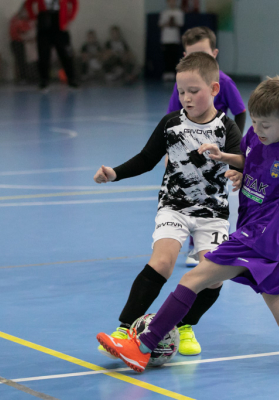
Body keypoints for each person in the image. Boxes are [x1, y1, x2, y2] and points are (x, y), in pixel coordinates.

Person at [97, 77, 279, 374]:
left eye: (265, 125)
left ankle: (142, 347)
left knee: (193, 279)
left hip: (258, 238)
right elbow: (249, 159)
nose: (257, 129)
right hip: (270, 245)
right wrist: (226, 158)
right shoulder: (255, 136)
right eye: (254, 122)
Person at [93, 52, 242, 358]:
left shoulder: (227, 127)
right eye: (181, 91)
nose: (186, 97)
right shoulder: (171, 124)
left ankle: (184, 326)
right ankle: (124, 329)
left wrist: (238, 170)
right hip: (174, 206)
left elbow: (242, 161)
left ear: (214, 89)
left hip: (213, 213)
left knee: (213, 275)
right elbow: (147, 159)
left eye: (194, 91)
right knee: (162, 262)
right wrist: (114, 173)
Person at [167, 26, 247, 267]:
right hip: (190, 151)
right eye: (192, 55)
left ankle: (219, 244)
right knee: (192, 195)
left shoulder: (224, 81)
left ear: (214, 53)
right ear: (184, 57)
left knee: (215, 197)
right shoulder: (183, 85)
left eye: (203, 53)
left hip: (217, 152)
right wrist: (171, 151)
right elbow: (172, 117)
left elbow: (241, 112)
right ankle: (195, 246)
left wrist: (233, 148)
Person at [25, 0, 79, 90]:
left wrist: (70, 18)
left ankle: (71, 79)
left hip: (60, 27)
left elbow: (74, 3)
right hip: (44, 26)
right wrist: (33, 18)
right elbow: (29, 3)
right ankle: (44, 80)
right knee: (43, 55)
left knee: (66, 54)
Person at [9, 3, 35, 84]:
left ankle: (31, 77)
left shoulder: (28, 20)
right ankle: (23, 78)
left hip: (28, 44)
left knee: (30, 61)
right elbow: (18, 33)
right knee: (21, 61)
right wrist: (27, 37)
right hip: (18, 42)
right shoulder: (16, 19)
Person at [158, 0, 184, 82]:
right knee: (166, 56)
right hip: (166, 39)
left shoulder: (179, 12)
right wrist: (167, 22)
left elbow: (181, 24)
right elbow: (160, 24)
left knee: (174, 56)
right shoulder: (164, 13)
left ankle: (173, 73)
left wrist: (174, 22)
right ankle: (167, 73)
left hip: (175, 38)